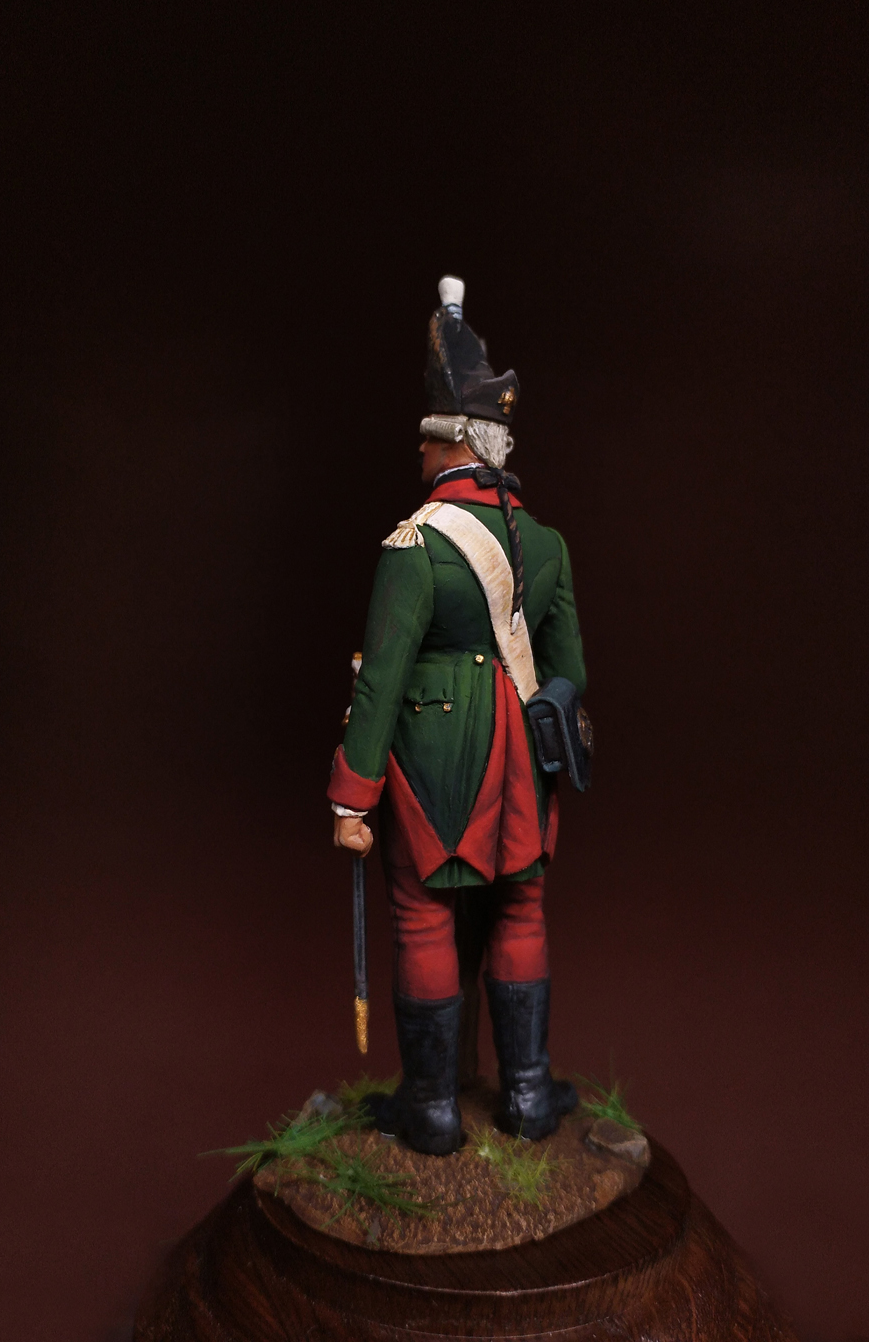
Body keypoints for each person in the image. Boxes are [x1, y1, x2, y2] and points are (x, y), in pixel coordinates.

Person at [328, 276, 587, 1155]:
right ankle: (527, 1096)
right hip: (521, 758)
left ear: (453, 446)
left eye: (428, 440)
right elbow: (569, 674)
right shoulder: (545, 544)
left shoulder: (414, 543)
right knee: (522, 909)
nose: (419, 453)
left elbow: (381, 683)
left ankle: (434, 1111)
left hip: (434, 756)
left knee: (423, 912)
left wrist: (352, 796)